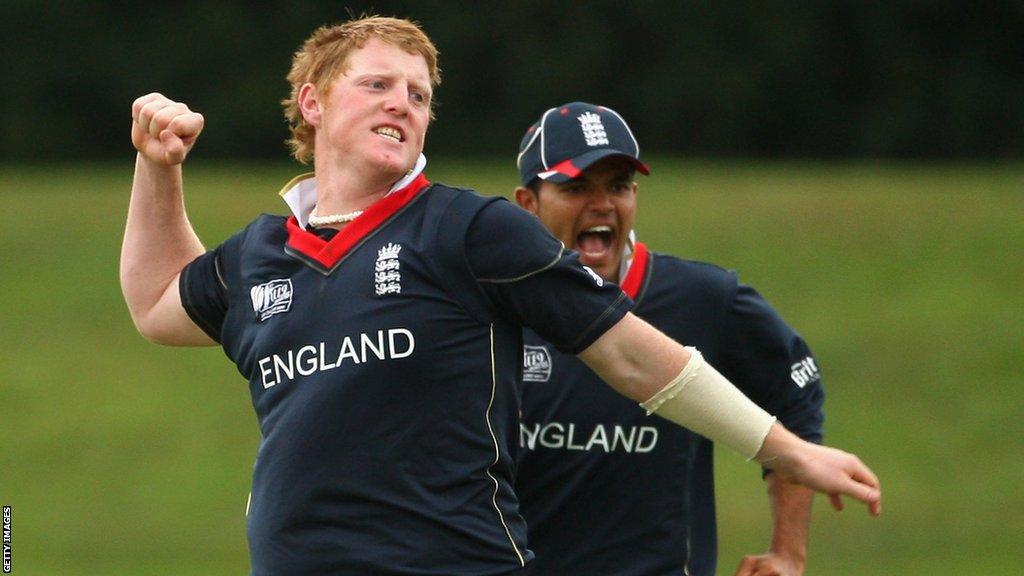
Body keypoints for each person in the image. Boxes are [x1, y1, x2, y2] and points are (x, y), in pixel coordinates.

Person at [120, 16, 880, 576]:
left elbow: (631, 355)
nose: (403, 103)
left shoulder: (467, 228)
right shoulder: (261, 253)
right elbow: (157, 303)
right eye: (378, 84)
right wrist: (159, 168)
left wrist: (785, 449)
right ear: (313, 103)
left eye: (418, 95)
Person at [512, 102, 836, 576]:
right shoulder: (491, 309)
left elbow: (796, 394)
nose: (602, 204)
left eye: (618, 186)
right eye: (576, 187)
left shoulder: (703, 299)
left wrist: (788, 553)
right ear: (528, 203)